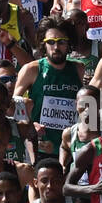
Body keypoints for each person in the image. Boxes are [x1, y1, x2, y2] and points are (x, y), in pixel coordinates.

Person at [16, 18, 84, 158]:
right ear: (43, 44)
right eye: (51, 42)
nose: (56, 47)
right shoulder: (32, 69)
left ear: (68, 43)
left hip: (72, 148)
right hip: (41, 148)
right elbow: (14, 104)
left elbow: (92, 107)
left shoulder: (79, 69)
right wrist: (30, 126)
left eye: (61, 42)